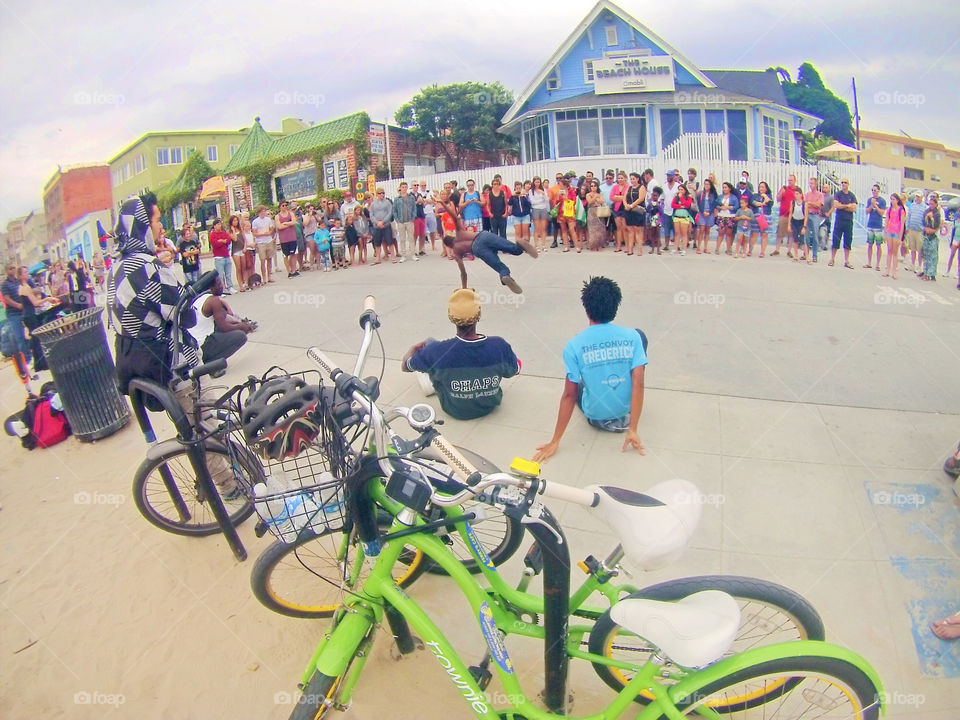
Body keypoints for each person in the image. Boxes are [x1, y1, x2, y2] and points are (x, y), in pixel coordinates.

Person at [533, 276, 647, 462]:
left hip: (594, 416)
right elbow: (639, 383)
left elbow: (569, 396)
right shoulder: (632, 337)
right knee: (640, 341)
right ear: (616, 307)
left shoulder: (574, 345)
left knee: (580, 376)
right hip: (625, 409)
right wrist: (633, 428)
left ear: (586, 310)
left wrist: (555, 440)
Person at [108, 194, 201, 404]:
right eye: (157, 220)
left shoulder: (117, 268)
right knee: (206, 427)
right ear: (143, 226)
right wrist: (166, 275)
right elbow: (186, 316)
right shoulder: (147, 267)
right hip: (174, 367)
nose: (161, 227)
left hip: (141, 368)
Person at [401, 289, 520, 420]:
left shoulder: (436, 350)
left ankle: (430, 377)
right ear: (478, 314)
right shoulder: (499, 345)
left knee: (430, 343)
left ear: (450, 317)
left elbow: (405, 366)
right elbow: (515, 370)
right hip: (489, 405)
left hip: (454, 410)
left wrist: (414, 349)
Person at [439, 189, 538, 294]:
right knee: (515, 250)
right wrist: (443, 204)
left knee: (498, 265)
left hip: (477, 249)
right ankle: (519, 244)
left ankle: (505, 275)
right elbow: (453, 215)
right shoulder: (459, 233)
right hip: (484, 236)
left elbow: (463, 273)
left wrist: (464, 288)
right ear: (452, 236)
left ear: (448, 246)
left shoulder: (456, 251)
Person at [186, 274, 255, 367]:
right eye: (219, 284)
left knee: (230, 327)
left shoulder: (199, 298)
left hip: (192, 345)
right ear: (211, 287)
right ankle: (211, 365)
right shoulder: (213, 300)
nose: (221, 286)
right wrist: (242, 326)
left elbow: (224, 318)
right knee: (241, 336)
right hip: (201, 345)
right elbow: (225, 327)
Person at [828, 179, 857, 269]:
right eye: (842, 182)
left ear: (848, 184)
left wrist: (843, 206)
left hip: (848, 221)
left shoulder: (852, 195)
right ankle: (832, 259)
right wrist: (847, 205)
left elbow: (854, 208)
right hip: (839, 221)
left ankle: (846, 261)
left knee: (848, 241)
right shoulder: (838, 194)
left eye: (845, 182)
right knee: (836, 240)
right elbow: (836, 205)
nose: (843, 184)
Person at [918, 192, 943, 281]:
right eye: (930, 203)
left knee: (933, 256)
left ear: (936, 204)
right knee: (926, 255)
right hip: (926, 235)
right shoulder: (926, 211)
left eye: (933, 204)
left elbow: (936, 225)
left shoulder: (937, 213)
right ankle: (925, 273)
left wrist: (932, 219)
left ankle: (931, 274)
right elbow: (923, 222)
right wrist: (926, 228)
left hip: (933, 237)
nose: (931, 205)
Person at [553, 173, 580, 252]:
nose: (559, 186)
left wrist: (566, 198)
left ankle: (577, 246)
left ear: (565, 185)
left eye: (560, 184)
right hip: (561, 212)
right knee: (563, 230)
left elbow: (574, 201)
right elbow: (556, 202)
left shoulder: (571, 191)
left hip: (570, 212)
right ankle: (566, 246)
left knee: (572, 229)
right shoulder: (560, 192)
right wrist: (558, 197)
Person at [774, 175, 798, 256]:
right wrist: (781, 193)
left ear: (795, 180)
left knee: (791, 233)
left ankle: (789, 250)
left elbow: (800, 200)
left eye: (791, 180)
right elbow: (778, 199)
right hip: (783, 214)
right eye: (789, 180)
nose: (790, 182)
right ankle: (777, 249)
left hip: (793, 215)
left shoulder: (797, 190)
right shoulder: (784, 188)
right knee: (780, 232)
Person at [393, 181, 418, 262]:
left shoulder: (411, 197)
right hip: (401, 221)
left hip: (410, 221)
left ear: (407, 188)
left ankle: (413, 254)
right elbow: (394, 210)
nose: (404, 189)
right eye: (402, 187)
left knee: (411, 238)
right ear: (400, 188)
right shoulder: (397, 199)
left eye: (405, 187)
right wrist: (397, 220)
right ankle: (403, 255)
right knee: (402, 239)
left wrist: (413, 217)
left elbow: (414, 208)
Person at [883, 193, 906, 279]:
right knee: (889, 250)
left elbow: (902, 224)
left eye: (893, 199)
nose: (892, 201)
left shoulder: (901, 210)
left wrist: (900, 237)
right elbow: (886, 221)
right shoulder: (889, 210)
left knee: (895, 252)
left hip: (896, 232)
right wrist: (885, 233)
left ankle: (894, 272)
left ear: (897, 200)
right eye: (891, 199)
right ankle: (887, 271)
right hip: (890, 231)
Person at [864, 184, 887, 270]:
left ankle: (877, 264)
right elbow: (867, 211)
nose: (873, 192)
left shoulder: (882, 201)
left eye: (875, 190)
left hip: (878, 225)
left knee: (878, 245)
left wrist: (876, 205)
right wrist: (871, 205)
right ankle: (869, 262)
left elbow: (882, 212)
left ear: (878, 191)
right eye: (872, 190)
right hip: (871, 224)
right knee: (870, 244)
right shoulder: (870, 200)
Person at [800, 178, 823, 264]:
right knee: (806, 235)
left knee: (815, 236)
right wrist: (812, 203)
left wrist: (810, 203)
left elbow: (819, 205)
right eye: (810, 183)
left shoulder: (820, 195)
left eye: (812, 183)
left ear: (816, 185)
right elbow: (805, 204)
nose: (811, 185)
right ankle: (806, 254)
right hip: (807, 214)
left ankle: (815, 255)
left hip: (815, 215)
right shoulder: (807, 194)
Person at [208, 218, 234, 294]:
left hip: (226, 255)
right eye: (218, 224)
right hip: (219, 257)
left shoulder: (223, 233)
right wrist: (222, 241)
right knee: (220, 274)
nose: (220, 226)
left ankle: (230, 287)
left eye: (220, 224)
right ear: (214, 226)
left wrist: (222, 241)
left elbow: (228, 240)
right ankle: (221, 290)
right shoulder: (212, 235)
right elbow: (215, 244)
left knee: (228, 273)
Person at [369, 188, 395, 264]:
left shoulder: (388, 203)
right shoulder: (373, 204)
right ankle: (378, 258)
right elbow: (371, 215)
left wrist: (383, 222)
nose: (382, 195)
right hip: (377, 226)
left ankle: (393, 256)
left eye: (383, 193)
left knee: (390, 241)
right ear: (377, 194)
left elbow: (390, 213)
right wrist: (377, 223)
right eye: (380, 193)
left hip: (386, 225)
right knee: (377, 243)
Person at [623, 172, 646, 255]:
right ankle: (630, 249)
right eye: (631, 179)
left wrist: (632, 205)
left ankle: (640, 250)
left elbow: (641, 198)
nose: (632, 180)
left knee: (638, 230)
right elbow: (624, 198)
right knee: (630, 230)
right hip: (629, 211)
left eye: (634, 179)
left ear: (637, 179)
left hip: (638, 211)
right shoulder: (629, 188)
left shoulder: (642, 187)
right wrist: (626, 205)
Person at [252, 205, 276, 283]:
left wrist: (269, 233)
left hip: (268, 240)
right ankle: (264, 277)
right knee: (263, 260)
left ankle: (269, 276)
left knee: (269, 259)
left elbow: (271, 229)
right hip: (260, 242)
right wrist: (262, 234)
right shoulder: (255, 221)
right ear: (259, 212)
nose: (264, 213)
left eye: (264, 211)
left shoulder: (268, 220)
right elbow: (254, 233)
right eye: (262, 211)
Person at [275, 200, 299, 278]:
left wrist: (286, 223)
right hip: (284, 239)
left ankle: (294, 270)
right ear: (280, 207)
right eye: (283, 206)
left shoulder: (291, 213)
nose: (285, 207)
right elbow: (279, 227)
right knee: (286, 255)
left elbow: (294, 222)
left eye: (286, 205)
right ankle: (289, 271)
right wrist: (289, 224)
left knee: (293, 254)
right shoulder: (277, 216)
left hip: (292, 237)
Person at [750, 181, 773, 257]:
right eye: (760, 187)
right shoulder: (755, 195)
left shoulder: (769, 196)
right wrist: (763, 204)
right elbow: (753, 203)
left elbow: (769, 203)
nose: (761, 188)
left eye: (763, 187)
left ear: (766, 188)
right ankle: (750, 250)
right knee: (754, 234)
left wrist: (764, 196)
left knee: (764, 234)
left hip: (766, 216)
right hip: (756, 216)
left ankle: (762, 252)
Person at [904, 190, 926, 273]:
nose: (917, 198)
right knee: (912, 248)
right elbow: (909, 217)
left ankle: (919, 266)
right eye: (916, 196)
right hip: (912, 229)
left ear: (922, 197)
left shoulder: (924, 207)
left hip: (920, 231)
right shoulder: (912, 206)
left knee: (919, 249)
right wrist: (908, 227)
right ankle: (912, 264)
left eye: (919, 197)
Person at [714, 183, 738, 255]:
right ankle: (717, 248)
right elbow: (716, 204)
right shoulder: (720, 197)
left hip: (730, 216)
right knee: (721, 232)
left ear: (729, 188)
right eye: (723, 187)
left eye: (726, 187)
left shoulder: (734, 197)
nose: (724, 189)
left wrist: (729, 207)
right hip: (722, 215)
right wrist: (720, 207)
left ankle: (728, 249)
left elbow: (736, 206)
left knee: (729, 233)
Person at [695, 178, 717, 255]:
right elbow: (699, 203)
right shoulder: (700, 193)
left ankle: (705, 247)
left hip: (710, 214)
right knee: (701, 230)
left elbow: (714, 204)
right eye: (705, 184)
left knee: (707, 231)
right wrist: (702, 211)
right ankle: (698, 247)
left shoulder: (713, 194)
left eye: (708, 184)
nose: (706, 186)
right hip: (702, 213)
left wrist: (709, 212)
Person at [529, 176, 551, 252]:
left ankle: (544, 245)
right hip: (535, 209)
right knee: (537, 228)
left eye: (538, 182)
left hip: (543, 209)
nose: (537, 183)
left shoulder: (543, 190)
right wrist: (541, 200)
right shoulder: (531, 191)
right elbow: (532, 202)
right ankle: (536, 245)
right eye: (536, 182)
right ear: (533, 182)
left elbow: (547, 200)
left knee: (543, 228)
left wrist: (543, 194)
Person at [671, 184, 694, 255]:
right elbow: (673, 205)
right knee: (677, 233)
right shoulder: (676, 197)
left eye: (682, 190)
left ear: (685, 190)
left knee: (684, 234)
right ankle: (675, 248)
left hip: (684, 217)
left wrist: (681, 198)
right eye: (679, 189)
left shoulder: (688, 197)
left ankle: (684, 249)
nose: (680, 191)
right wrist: (680, 206)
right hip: (677, 217)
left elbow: (687, 205)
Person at [226, 215, 247, 292]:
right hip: (235, 250)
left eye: (236, 220)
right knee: (238, 268)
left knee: (243, 267)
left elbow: (245, 239)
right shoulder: (229, 231)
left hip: (242, 249)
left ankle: (245, 282)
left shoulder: (240, 229)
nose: (235, 222)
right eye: (234, 221)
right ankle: (240, 284)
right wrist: (233, 230)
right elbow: (234, 239)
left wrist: (245, 247)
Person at [585, 179, 607, 252]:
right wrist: (595, 197)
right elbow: (590, 202)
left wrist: (595, 197)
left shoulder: (600, 194)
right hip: (591, 212)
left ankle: (599, 245)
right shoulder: (588, 194)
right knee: (592, 230)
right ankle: (593, 245)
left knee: (600, 229)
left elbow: (602, 201)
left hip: (599, 212)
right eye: (592, 186)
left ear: (597, 187)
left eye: (594, 186)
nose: (593, 187)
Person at [645, 186, 664, 254]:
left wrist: (658, 206)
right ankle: (652, 248)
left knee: (658, 234)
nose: (654, 197)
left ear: (658, 196)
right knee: (652, 234)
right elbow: (647, 210)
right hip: (652, 218)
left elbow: (662, 212)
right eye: (653, 195)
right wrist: (651, 206)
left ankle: (658, 249)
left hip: (658, 219)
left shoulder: (660, 203)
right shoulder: (650, 202)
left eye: (656, 195)